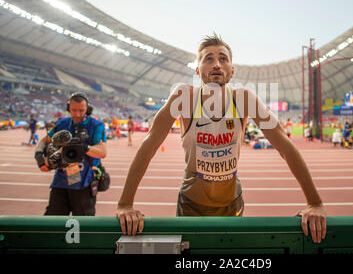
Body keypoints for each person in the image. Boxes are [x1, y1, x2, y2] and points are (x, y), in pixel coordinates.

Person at [116, 34, 326, 243]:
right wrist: (125, 204)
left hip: (232, 205)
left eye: (223, 59)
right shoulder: (184, 97)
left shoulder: (244, 99)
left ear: (232, 70)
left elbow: (285, 146)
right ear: (198, 71)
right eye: (208, 58)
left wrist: (314, 203)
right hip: (191, 206)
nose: (216, 64)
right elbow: (149, 146)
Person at [34, 92, 107, 216]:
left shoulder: (96, 125)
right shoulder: (62, 123)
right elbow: (44, 140)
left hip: (85, 182)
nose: (77, 114)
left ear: (88, 109)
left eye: (81, 110)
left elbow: (102, 152)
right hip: (61, 181)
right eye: (74, 110)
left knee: (83, 224)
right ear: (68, 108)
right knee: (53, 222)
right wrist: (39, 156)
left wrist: (83, 148)